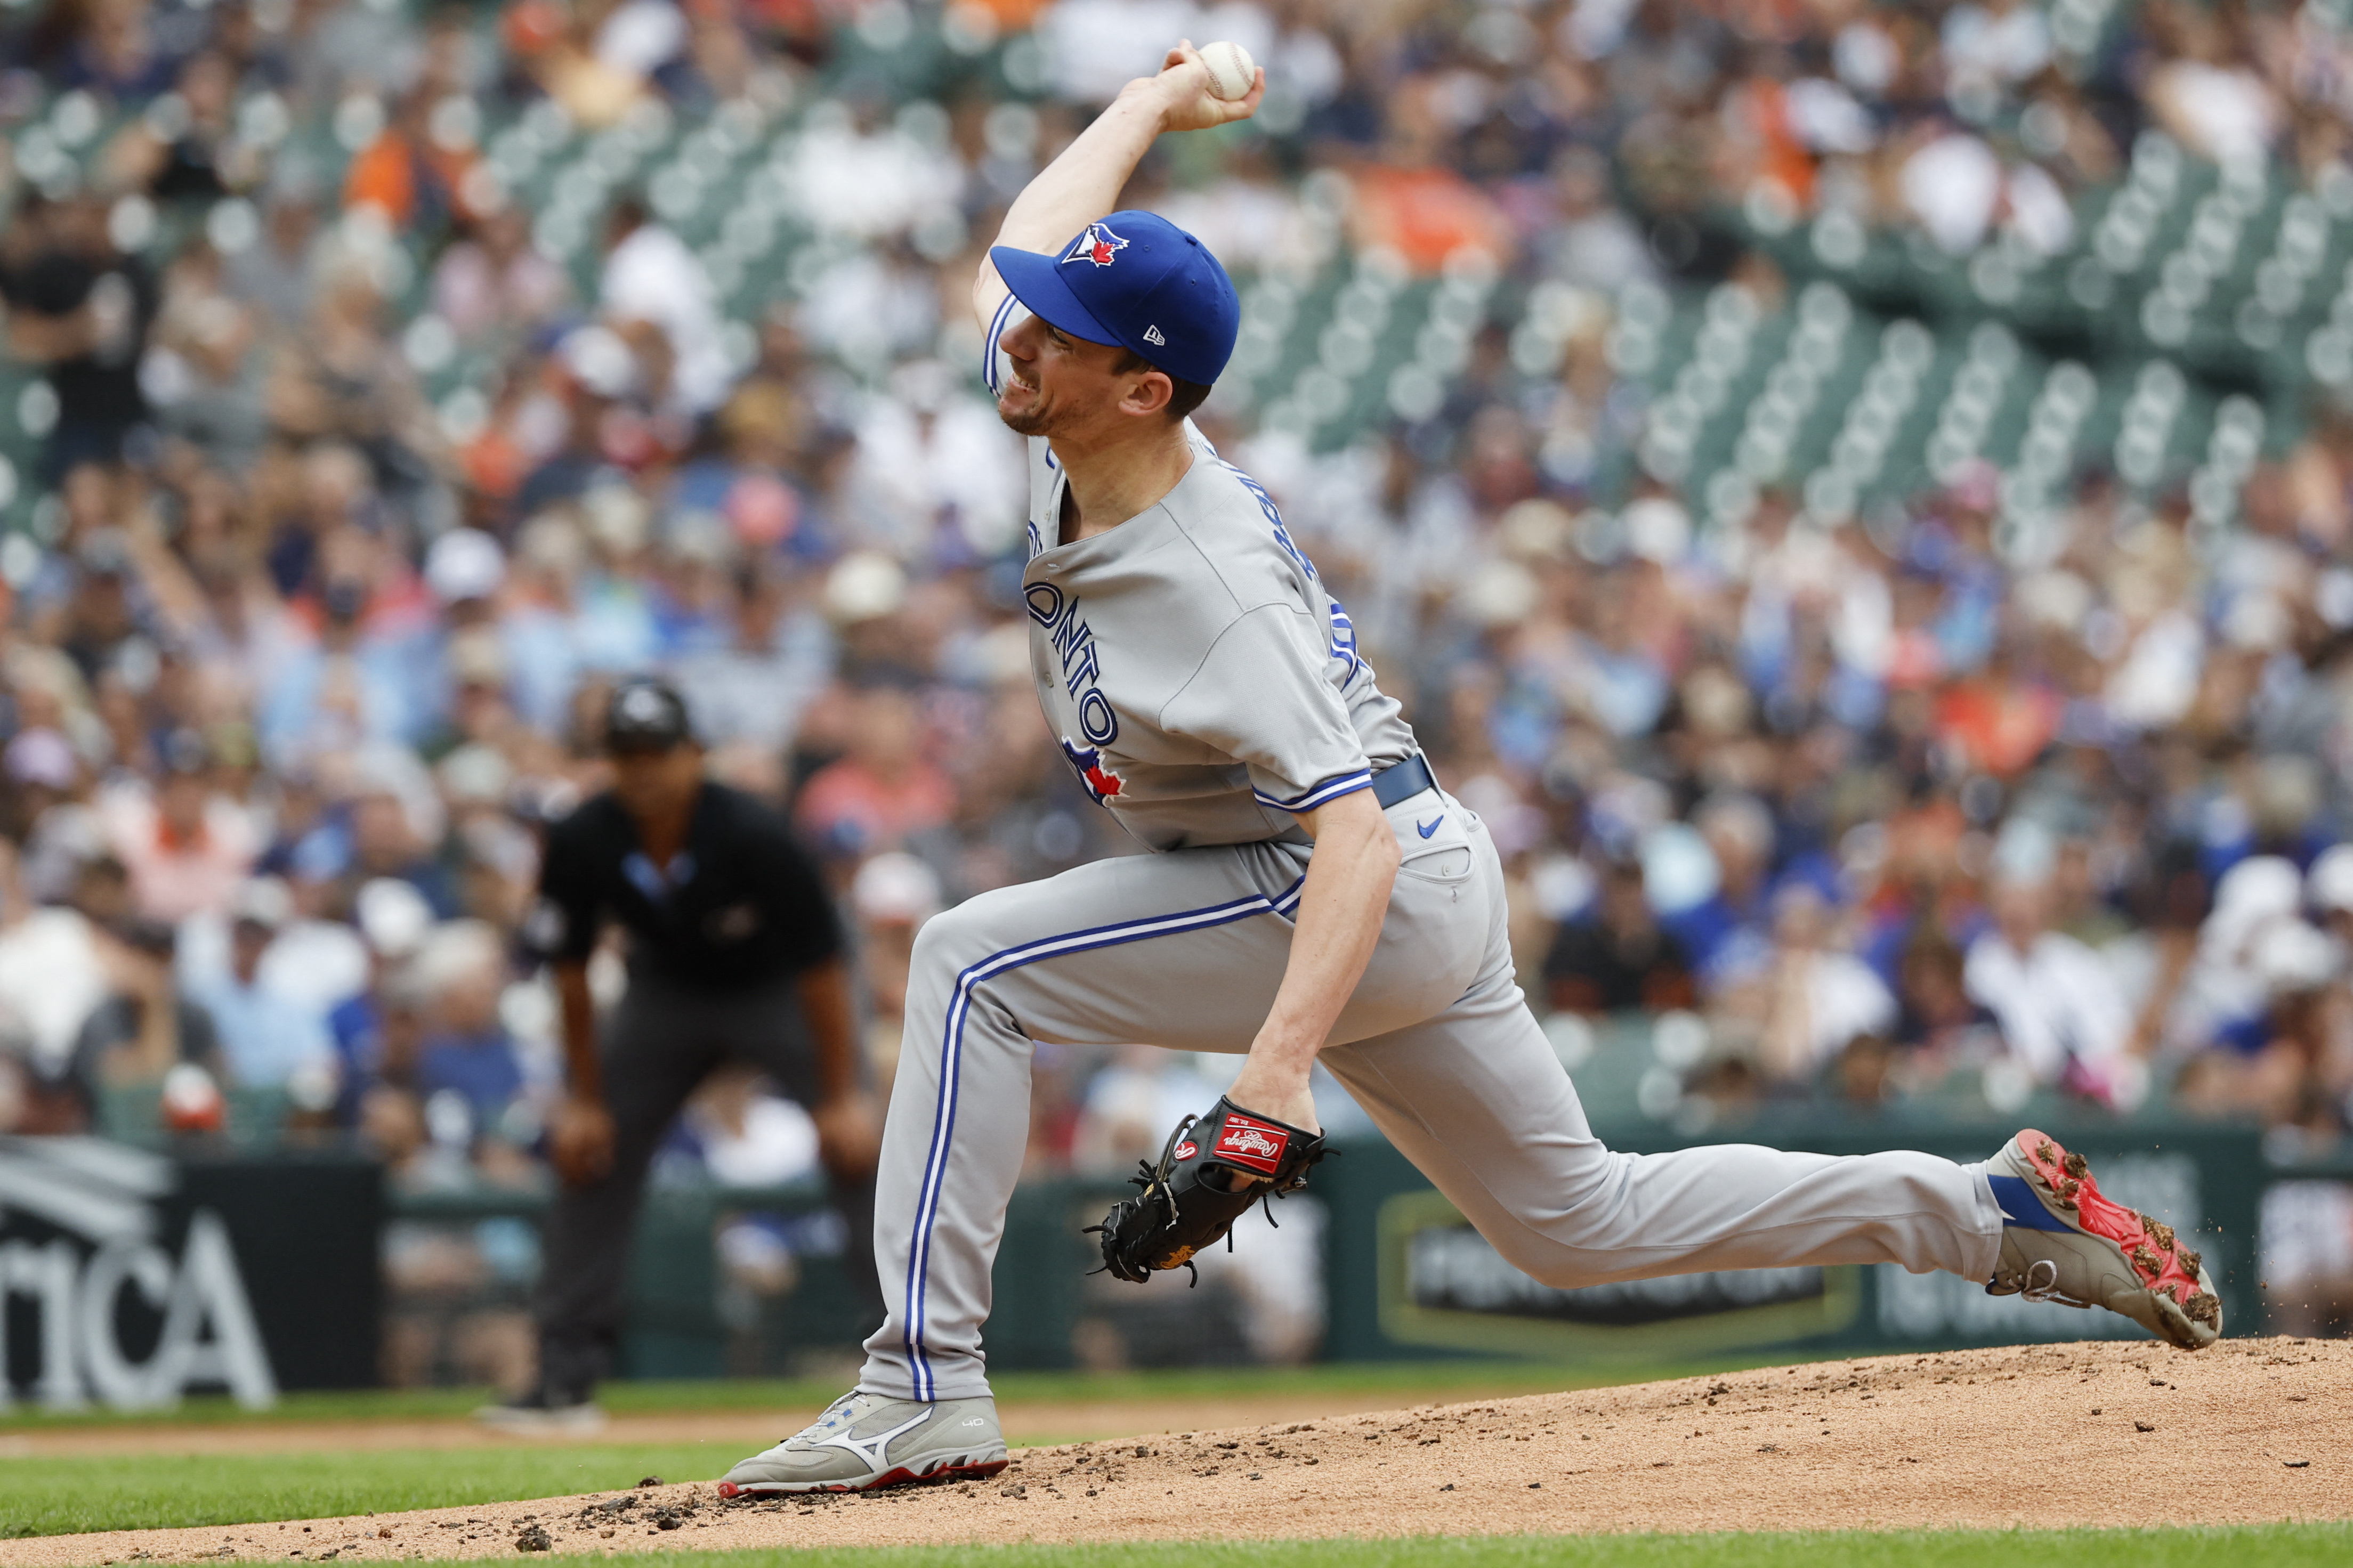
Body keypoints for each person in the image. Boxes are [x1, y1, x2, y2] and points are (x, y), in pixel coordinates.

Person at [716, 43, 2223, 1498]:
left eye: (1061, 331)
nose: (1019, 336)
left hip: (1346, 882)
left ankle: (922, 1386)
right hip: (1388, 873)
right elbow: (1020, 246)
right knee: (1578, 1222)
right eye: (1034, 320)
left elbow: (1351, 840)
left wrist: (1274, 1076)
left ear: (1147, 392)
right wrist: (1149, 102)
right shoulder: (1068, 412)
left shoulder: (1210, 581)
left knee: (974, 967)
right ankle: (1982, 1215)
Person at [480, 677, 882, 1431]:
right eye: (626, 755)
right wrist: (583, 1098)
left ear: (695, 754)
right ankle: (564, 1382)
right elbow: (568, 971)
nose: (644, 770)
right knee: (588, 1153)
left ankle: (915, 1361)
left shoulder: (753, 832)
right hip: (664, 996)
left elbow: (824, 968)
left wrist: (842, 1094)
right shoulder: (585, 835)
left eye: (658, 753)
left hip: (777, 992)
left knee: (860, 1150)